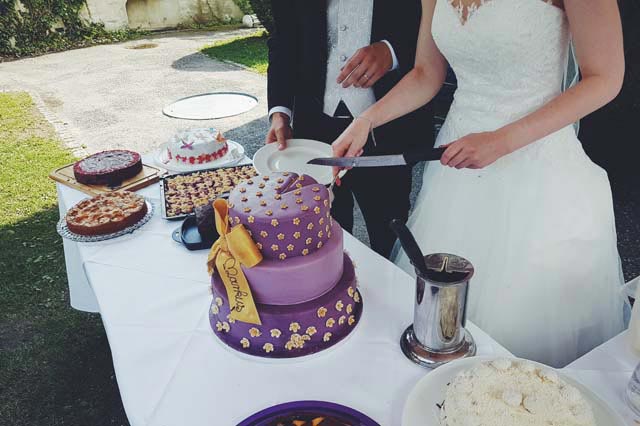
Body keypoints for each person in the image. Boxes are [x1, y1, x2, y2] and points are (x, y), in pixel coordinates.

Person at [331, 0, 627, 367]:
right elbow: (426, 73)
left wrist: (502, 141)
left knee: (514, 345)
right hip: (457, 172)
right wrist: (366, 121)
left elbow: (605, 78)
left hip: (538, 175)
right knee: (439, 326)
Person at [265, 0, 433, 258]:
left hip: (389, 130)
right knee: (323, 236)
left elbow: (434, 28)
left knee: (390, 236)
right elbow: (284, 40)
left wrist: (392, 51)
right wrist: (280, 112)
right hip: (314, 132)